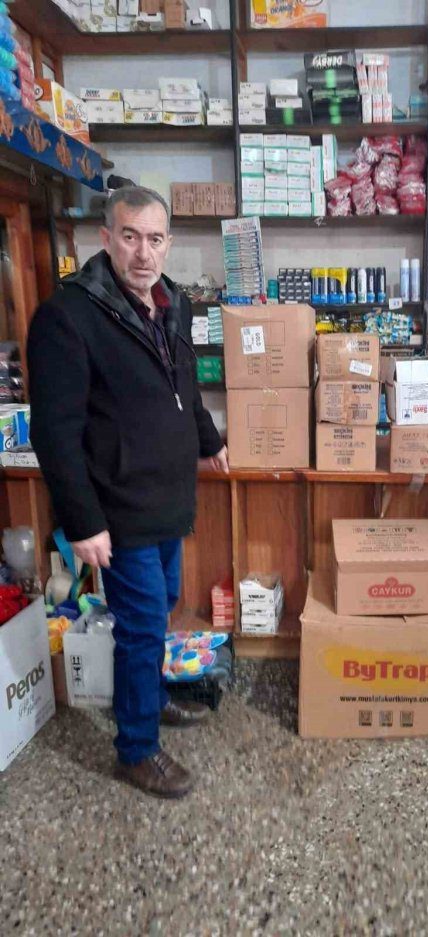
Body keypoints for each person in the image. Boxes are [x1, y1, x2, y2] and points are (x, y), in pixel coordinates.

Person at [27, 186, 228, 799]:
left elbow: (183, 383)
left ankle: (150, 695)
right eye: (131, 237)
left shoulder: (173, 302)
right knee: (141, 625)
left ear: (169, 243)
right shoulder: (69, 316)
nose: (144, 253)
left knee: (161, 605)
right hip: (118, 504)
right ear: (107, 239)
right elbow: (54, 432)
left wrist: (208, 438)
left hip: (167, 495)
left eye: (155, 238)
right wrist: (83, 521)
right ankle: (137, 749)